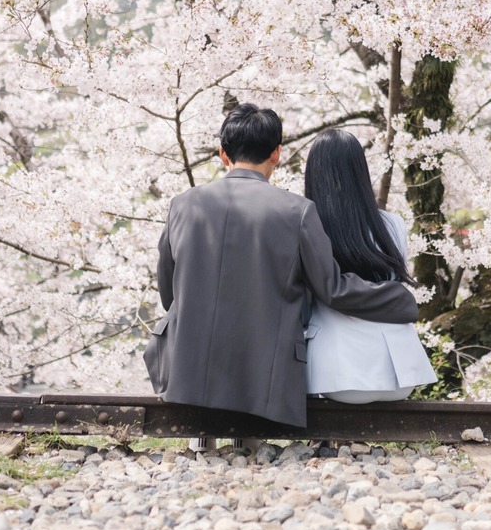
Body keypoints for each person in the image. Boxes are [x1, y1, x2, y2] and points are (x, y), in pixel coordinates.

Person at [143, 104, 419, 429]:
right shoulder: (296, 211)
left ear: (222, 153)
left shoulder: (182, 204)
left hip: (184, 365)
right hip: (261, 372)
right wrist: (401, 299)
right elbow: (332, 288)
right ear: (276, 154)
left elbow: (167, 291)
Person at [303, 129, 437, 402]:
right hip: (399, 374)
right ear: (360, 172)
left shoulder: (307, 223)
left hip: (338, 376)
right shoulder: (392, 225)